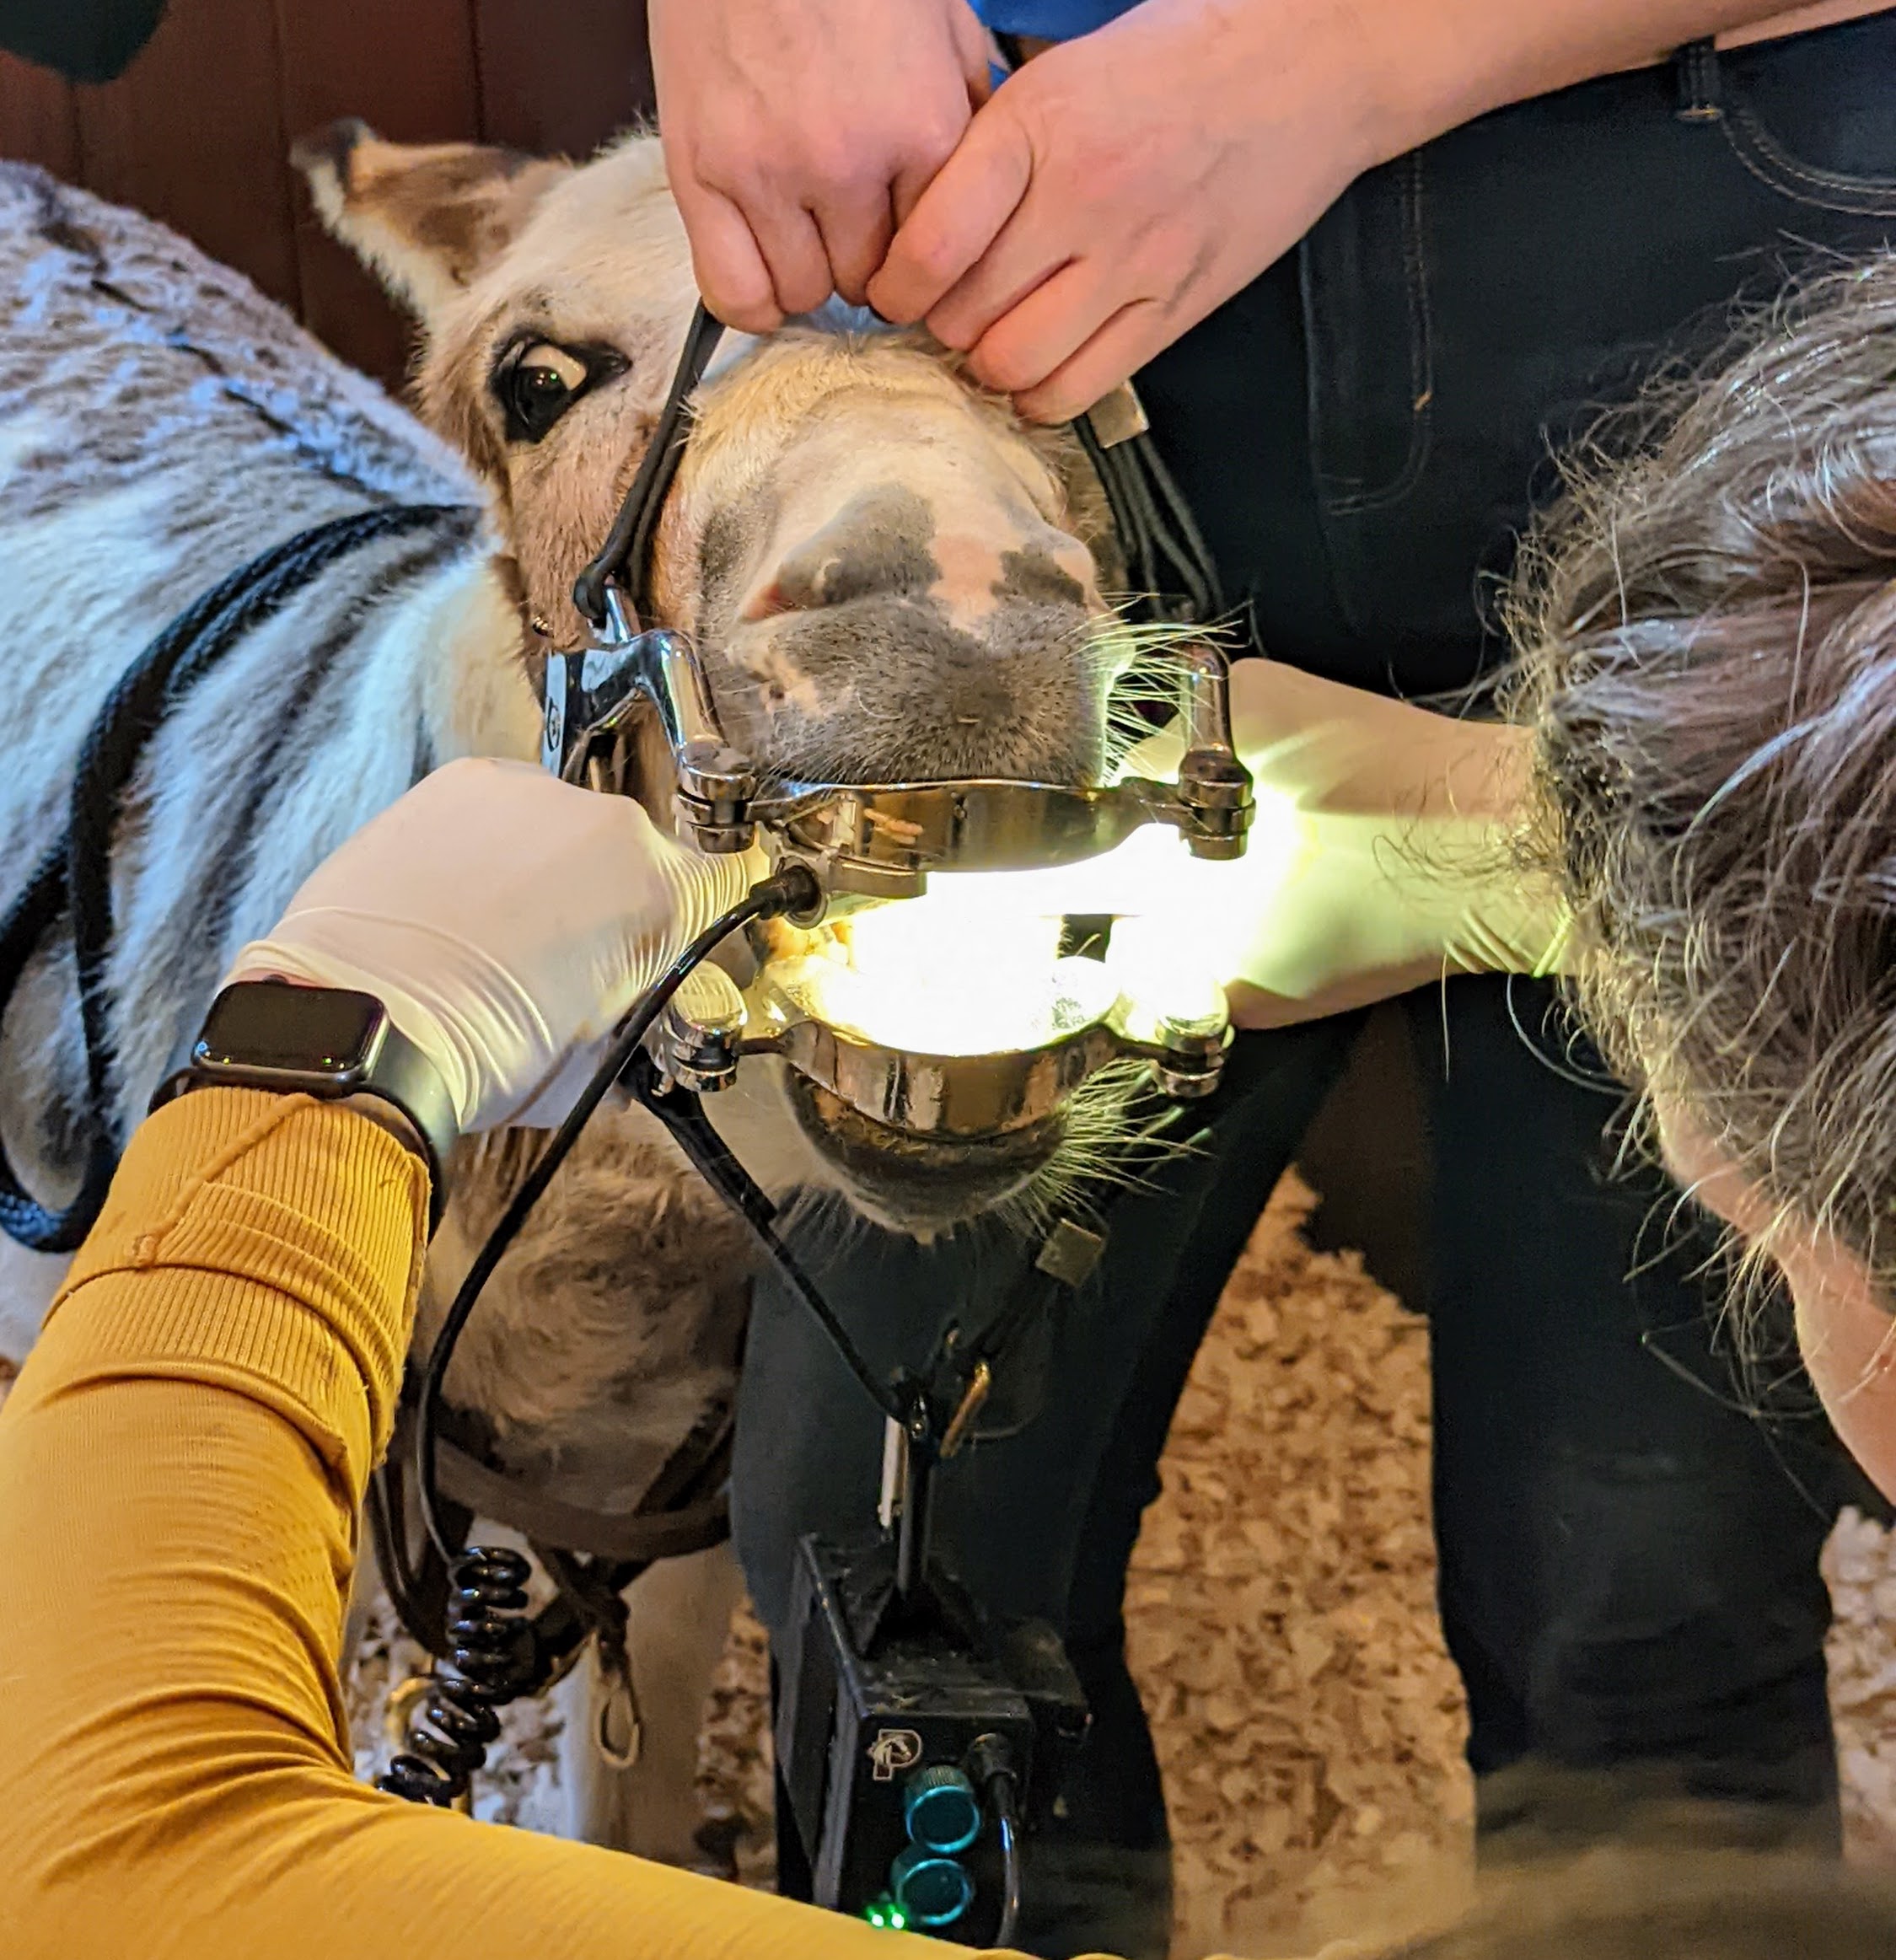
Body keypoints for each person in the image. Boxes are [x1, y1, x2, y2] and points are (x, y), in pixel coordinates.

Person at [649, 3, 1896, 1952]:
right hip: (1033, 325)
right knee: (885, 1532)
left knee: (1635, 1582)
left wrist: (1334, 60)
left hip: (1710, 292)